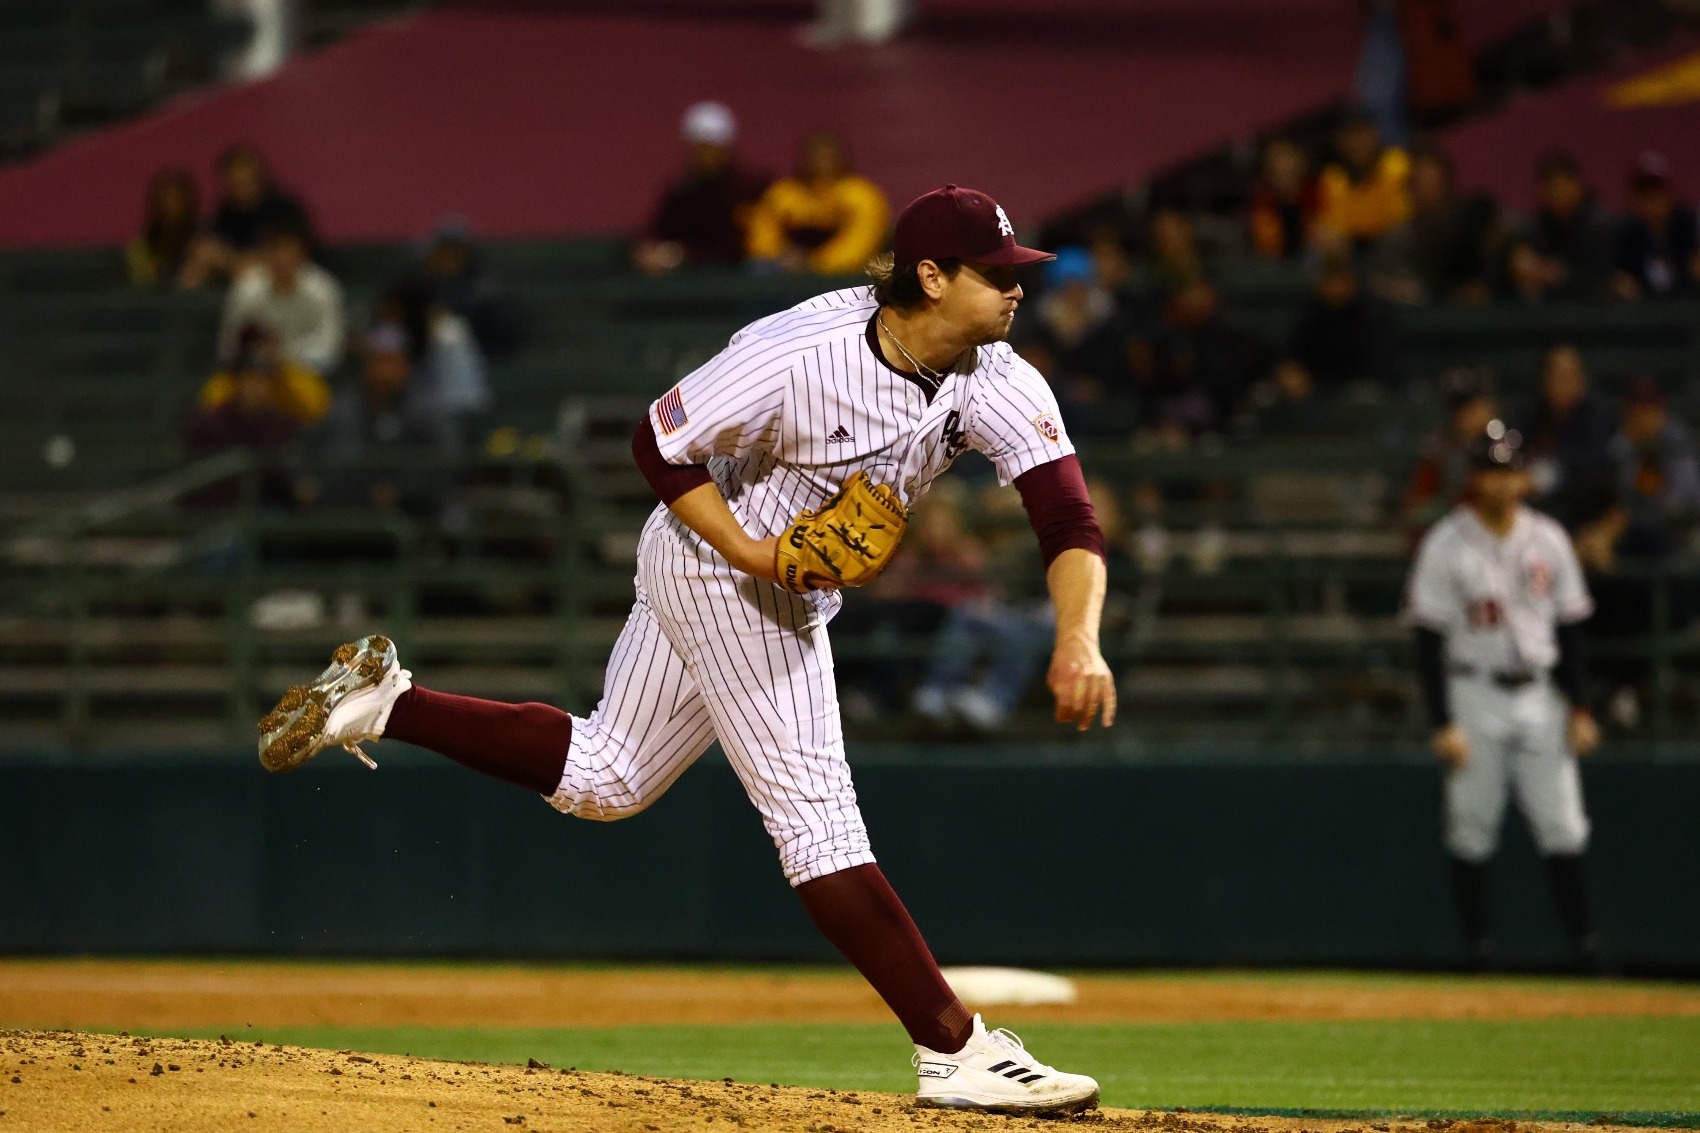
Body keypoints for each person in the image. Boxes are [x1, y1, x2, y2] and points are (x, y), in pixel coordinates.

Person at [257, 185, 1112, 1116]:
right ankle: (954, 1048)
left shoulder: (995, 375)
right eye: (998, 275)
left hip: (771, 580)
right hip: (721, 563)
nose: (1018, 290)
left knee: (608, 776)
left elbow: (1065, 514)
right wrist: (750, 551)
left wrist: (1078, 638)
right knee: (819, 824)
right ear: (933, 277)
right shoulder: (798, 354)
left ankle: (386, 701)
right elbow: (659, 445)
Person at [1404, 422, 1604, 972]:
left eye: (1508, 472)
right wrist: (1442, 720)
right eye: (1490, 473)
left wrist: (1581, 706)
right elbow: (1427, 638)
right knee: (1472, 824)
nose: (1500, 484)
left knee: (1563, 824)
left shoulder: (1549, 538)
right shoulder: (1447, 543)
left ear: (1523, 478)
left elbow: (1570, 631)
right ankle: (1479, 954)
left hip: (1542, 696)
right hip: (1474, 691)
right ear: (1473, 480)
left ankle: (1585, 950)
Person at [634, 102, 771, 275]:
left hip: (738, 282)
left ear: (725, 147)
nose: (703, 155)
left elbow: (740, 245)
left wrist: (683, 254)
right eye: (697, 147)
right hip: (689, 282)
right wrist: (649, 250)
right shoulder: (683, 189)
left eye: (710, 147)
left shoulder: (750, 187)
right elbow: (658, 230)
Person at [1368, 143, 1500, 305]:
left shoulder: (1473, 215)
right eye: (1419, 179)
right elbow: (1377, 281)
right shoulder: (1399, 235)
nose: (1426, 186)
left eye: (1432, 177)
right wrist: (1399, 288)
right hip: (1423, 315)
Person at [745, 130, 888, 275]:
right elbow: (761, 236)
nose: (821, 161)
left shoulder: (862, 195)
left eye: (828, 156)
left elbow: (859, 245)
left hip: (841, 279)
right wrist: (780, 256)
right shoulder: (784, 194)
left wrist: (814, 263)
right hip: (783, 274)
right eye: (816, 156)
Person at [179, 341, 301, 510]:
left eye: (261, 381)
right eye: (249, 380)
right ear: (237, 383)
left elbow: (279, 476)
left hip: (262, 509)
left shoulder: (278, 422)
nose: (255, 387)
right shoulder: (210, 421)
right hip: (213, 510)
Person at [218, 223, 345, 378]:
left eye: (290, 250)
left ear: (303, 255)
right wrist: (255, 355)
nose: (283, 258)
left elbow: (330, 349)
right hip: (251, 375)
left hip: (303, 376)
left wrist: (282, 355)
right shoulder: (246, 290)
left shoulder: (322, 290)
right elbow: (228, 346)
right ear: (265, 254)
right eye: (276, 250)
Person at [180, 145, 314, 288]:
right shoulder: (222, 214)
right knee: (192, 272)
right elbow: (206, 249)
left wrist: (231, 260)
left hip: (282, 282)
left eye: (246, 177)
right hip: (233, 283)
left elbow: (292, 254)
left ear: (259, 176)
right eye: (234, 179)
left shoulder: (285, 210)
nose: (240, 182)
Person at [1519, 344, 1616, 525]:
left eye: (1569, 377)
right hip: (1539, 514)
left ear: (1582, 380)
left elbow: (1593, 466)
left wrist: (1545, 475)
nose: (1562, 384)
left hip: (1588, 515)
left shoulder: (1598, 418)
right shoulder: (1533, 416)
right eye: (1556, 377)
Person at [1284, 252, 1399, 390]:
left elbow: (1378, 364)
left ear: (1353, 282)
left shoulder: (1371, 314)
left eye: (1341, 278)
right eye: (1330, 279)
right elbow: (1294, 355)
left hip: (1360, 391)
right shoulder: (1310, 312)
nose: (1336, 286)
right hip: (1316, 391)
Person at [416, 217, 525, 361]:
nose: (448, 257)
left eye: (454, 251)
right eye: (444, 251)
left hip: (480, 357)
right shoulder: (427, 283)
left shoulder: (483, 286)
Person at [1522, 152, 1616, 301]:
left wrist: (1560, 275)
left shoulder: (1599, 226)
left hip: (1593, 314)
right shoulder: (1539, 226)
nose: (1557, 193)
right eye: (1550, 186)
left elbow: (1602, 278)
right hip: (1549, 317)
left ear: (1577, 186)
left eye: (1561, 184)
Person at [199, 322, 333, 427]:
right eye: (255, 347)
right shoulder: (226, 380)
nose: (262, 353)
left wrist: (281, 375)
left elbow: (314, 413)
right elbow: (209, 416)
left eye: (266, 345)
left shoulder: (291, 374)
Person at [1611, 152, 1700, 300]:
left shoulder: (1688, 224)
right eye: (1643, 195)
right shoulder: (1630, 232)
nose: (1651, 202)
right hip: (1643, 318)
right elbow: (1622, 278)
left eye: (1656, 192)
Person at [1317, 111, 1412, 249]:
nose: (1358, 142)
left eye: (1362, 134)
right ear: (1339, 143)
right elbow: (1337, 224)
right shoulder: (1333, 178)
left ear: (1375, 134)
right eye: (1350, 136)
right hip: (1355, 247)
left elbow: (1400, 216)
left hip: (1393, 242)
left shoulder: (1395, 163)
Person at [1248, 138, 1322, 261]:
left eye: (1288, 156)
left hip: (1313, 257)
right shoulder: (1262, 200)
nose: (1284, 164)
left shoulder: (1315, 190)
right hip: (1278, 263)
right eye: (1277, 158)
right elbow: (1266, 245)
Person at [126, 168, 200, 288]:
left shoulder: (203, 240)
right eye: (166, 201)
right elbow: (146, 283)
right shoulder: (140, 248)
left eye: (177, 200)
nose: (171, 207)